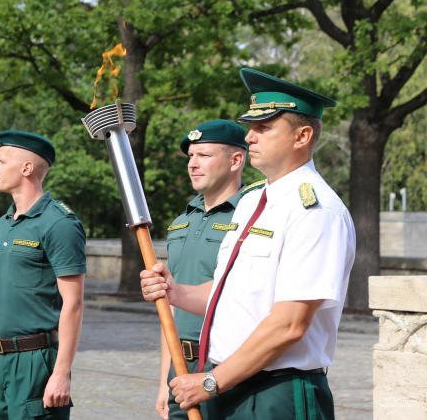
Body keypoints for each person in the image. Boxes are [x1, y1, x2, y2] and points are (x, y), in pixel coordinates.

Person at [140, 68, 355, 419]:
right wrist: (175, 291)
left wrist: (210, 382)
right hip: (228, 386)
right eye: (251, 127)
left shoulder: (316, 210)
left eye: (264, 127)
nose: (250, 137)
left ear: (302, 136)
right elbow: (231, 292)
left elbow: (290, 324)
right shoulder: (254, 200)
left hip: (275, 392)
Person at [0, 130, 86, 419]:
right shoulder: (2, 224)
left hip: (36, 362)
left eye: (1, 160)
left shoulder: (59, 224)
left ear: (26, 168)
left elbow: (73, 304)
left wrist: (61, 374)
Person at [157, 119, 251, 419]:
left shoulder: (252, 216)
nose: (193, 164)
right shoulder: (183, 220)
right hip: (180, 365)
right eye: (191, 157)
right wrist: (164, 380)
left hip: (226, 366)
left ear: (236, 160)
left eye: (204, 156)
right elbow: (168, 308)